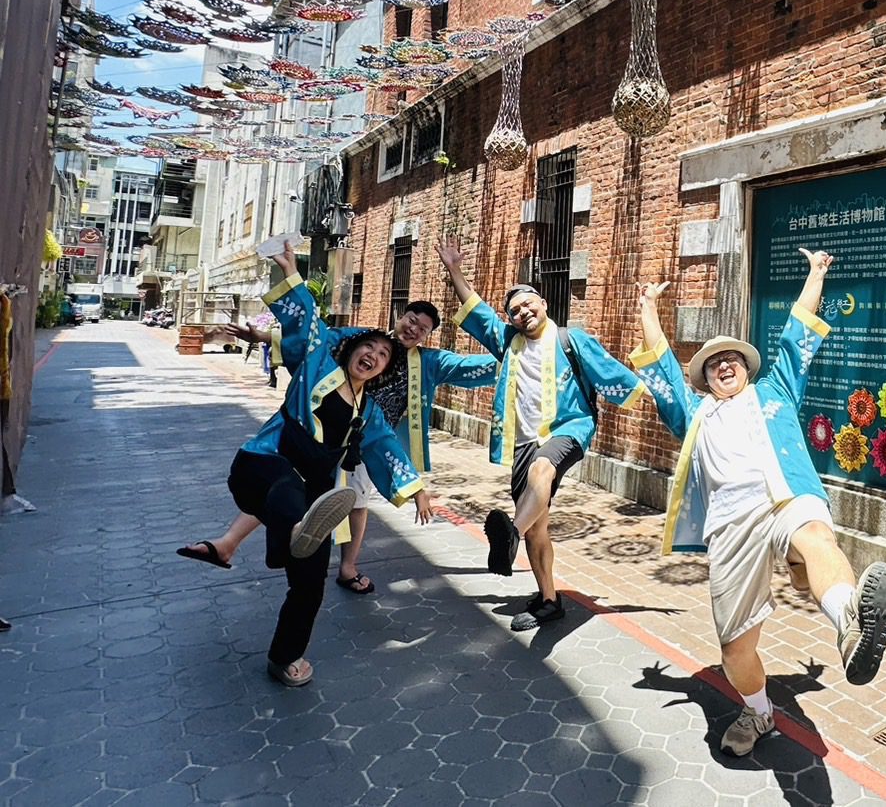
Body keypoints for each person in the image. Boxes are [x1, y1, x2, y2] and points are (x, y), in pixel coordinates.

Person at [631, 248, 886, 757]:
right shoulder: (692, 413)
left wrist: (817, 273)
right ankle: (758, 711)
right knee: (735, 647)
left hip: (784, 495)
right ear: (705, 379)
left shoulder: (776, 388)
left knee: (816, 536)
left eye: (731, 357)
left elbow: (797, 333)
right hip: (729, 525)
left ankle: (851, 625)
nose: (723, 364)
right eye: (713, 364)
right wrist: (647, 306)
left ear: (747, 367)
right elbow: (662, 366)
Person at [179, 296, 501, 594]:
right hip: (321, 432)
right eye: (411, 319)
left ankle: (346, 567)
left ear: (426, 337)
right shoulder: (366, 339)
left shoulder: (428, 363)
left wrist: (513, 359)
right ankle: (231, 542)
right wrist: (264, 338)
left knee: (355, 504)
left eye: (422, 329)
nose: (413, 329)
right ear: (400, 316)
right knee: (282, 486)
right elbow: (318, 340)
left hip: (366, 442)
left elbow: (470, 368)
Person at [226, 242, 431, 686]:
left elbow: (386, 449)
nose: (375, 355)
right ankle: (286, 531)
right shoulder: (320, 362)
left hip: (317, 489)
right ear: (353, 348)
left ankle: (285, 657)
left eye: (383, 357)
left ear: (380, 373)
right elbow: (309, 322)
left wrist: (415, 488)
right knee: (284, 488)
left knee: (310, 584)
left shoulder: (367, 412)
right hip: (266, 462)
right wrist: (291, 273)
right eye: (370, 347)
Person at [438, 236, 646, 631]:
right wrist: (454, 269)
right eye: (514, 311)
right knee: (539, 525)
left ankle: (509, 535)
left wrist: (655, 391)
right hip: (522, 442)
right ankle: (549, 599)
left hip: (568, 429)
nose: (522, 313)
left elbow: (611, 372)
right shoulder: (507, 342)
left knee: (541, 471)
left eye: (528, 304)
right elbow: (476, 309)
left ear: (544, 303)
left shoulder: (571, 339)